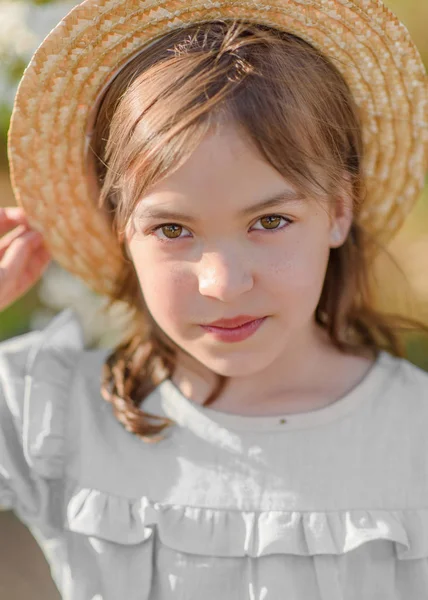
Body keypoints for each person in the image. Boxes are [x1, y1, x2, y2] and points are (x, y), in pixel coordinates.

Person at [1, 0, 428, 598]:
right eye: (173, 230)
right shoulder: (50, 414)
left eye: (270, 220)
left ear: (338, 210)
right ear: (121, 229)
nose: (223, 284)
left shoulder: (415, 436)